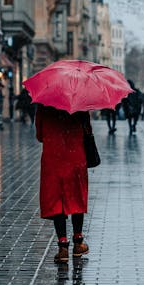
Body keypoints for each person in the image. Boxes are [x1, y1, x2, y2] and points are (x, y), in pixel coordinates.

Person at [35, 104, 91, 264]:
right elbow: (88, 131)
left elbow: (39, 136)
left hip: (54, 157)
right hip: (75, 156)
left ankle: (63, 246)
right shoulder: (81, 104)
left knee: (57, 200)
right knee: (76, 197)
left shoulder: (44, 105)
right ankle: (78, 242)